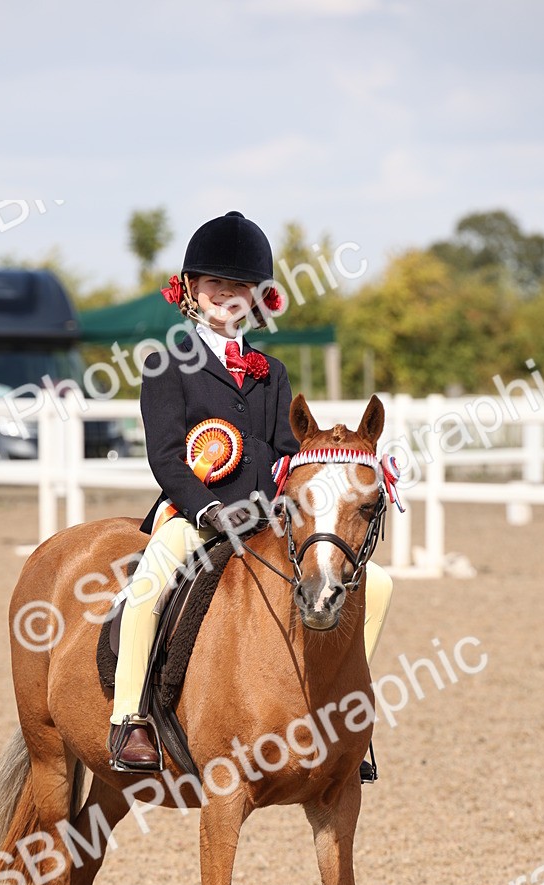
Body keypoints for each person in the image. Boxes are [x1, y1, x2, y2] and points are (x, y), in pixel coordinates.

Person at [107, 211, 392, 773]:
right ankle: (130, 719)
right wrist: (206, 507)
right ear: (191, 290)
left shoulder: (273, 371)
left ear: (256, 297)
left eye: (239, 288)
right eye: (216, 285)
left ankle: (343, 712)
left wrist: (345, 466)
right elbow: (166, 456)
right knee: (148, 586)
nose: (227, 296)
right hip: (195, 515)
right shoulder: (166, 365)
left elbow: (289, 447)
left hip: (267, 519)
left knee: (376, 583)